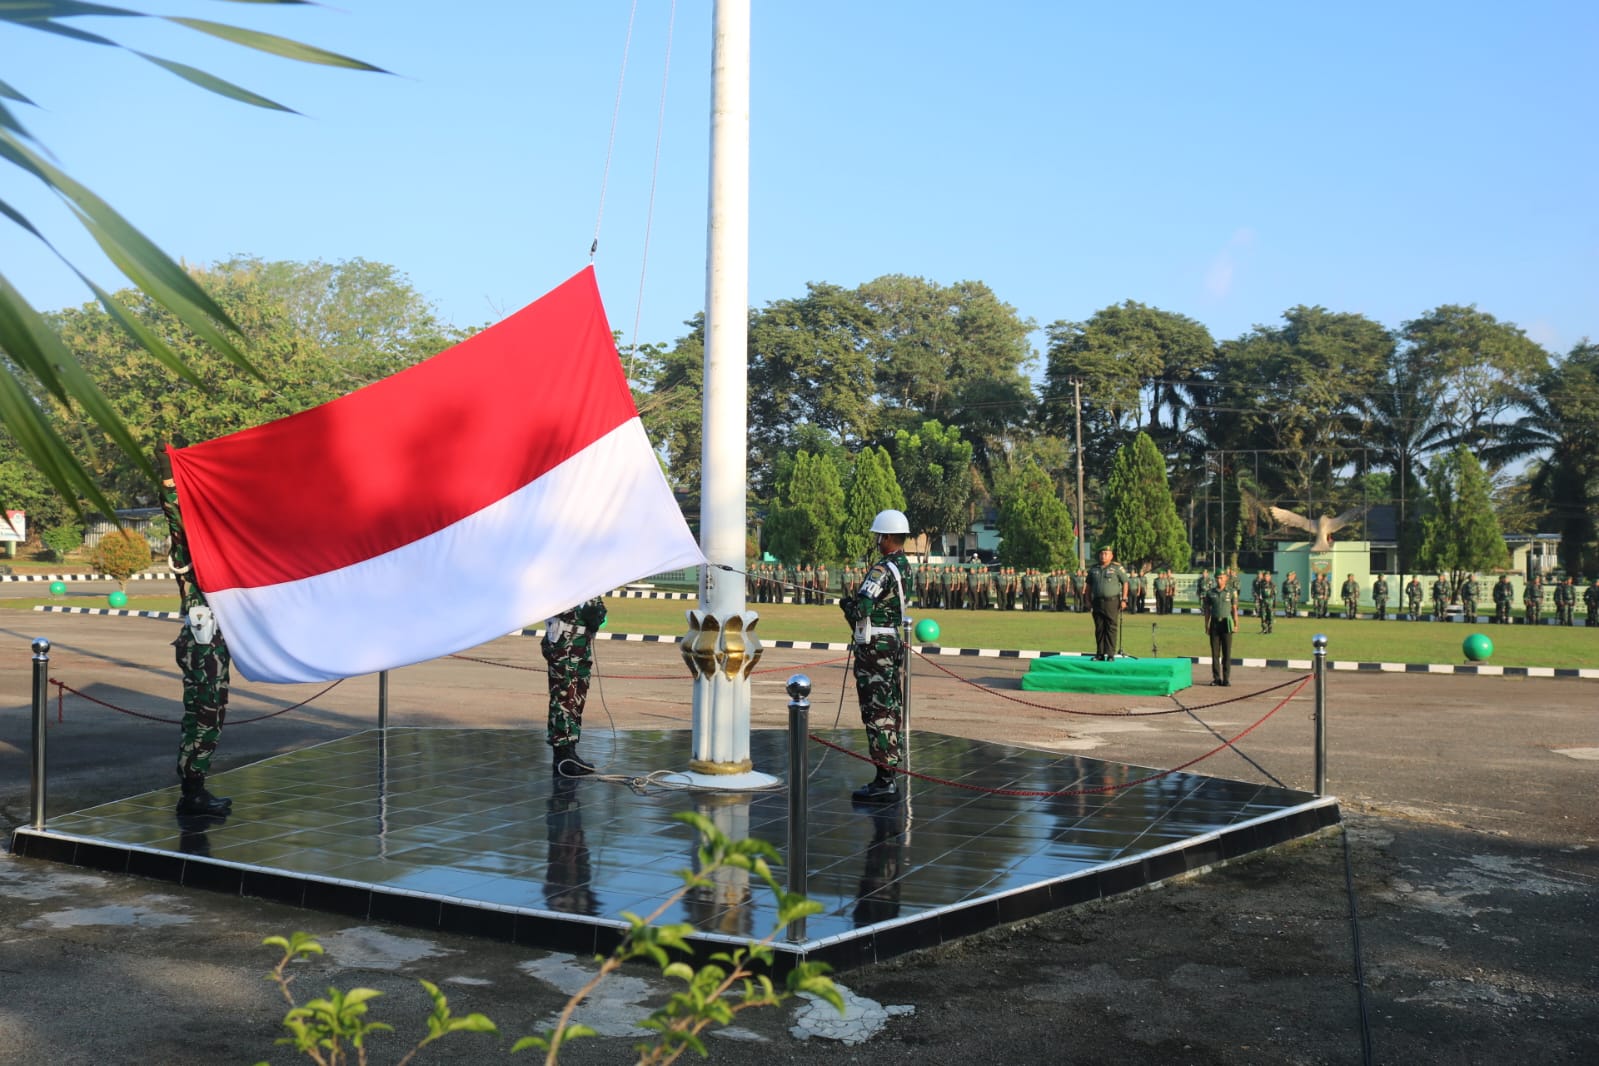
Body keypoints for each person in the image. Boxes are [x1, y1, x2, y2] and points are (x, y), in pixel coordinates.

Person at [161, 470, 234, 818]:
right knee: (206, 716)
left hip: (208, 646)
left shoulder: (220, 549)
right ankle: (193, 792)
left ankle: (192, 789)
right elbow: (178, 520)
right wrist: (169, 480)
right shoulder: (194, 547)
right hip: (203, 648)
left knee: (201, 716)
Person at [842, 509, 914, 803]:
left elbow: (862, 609)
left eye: (877, 536)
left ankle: (884, 780)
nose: (876, 541)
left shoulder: (882, 569)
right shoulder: (904, 566)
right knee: (889, 706)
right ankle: (888, 774)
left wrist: (847, 605)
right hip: (891, 640)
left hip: (875, 646)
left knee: (877, 710)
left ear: (886, 537)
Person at [543, 596, 607, 776]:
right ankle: (562, 754)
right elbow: (587, 612)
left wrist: (596, 614)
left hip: (581, 646)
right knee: (564, 698)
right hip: (564, 646)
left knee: (576, 701)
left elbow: (599, 613)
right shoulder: (562, 583)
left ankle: (570, 749)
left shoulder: (589, 583)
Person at [1085, 546, 1131, 661]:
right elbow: (1088, 586)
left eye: (1106, 553)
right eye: (1101, 553)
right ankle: (1100, 654)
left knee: (1111, 628)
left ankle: (1110, 654)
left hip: (1112, 602)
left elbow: (1125, 582)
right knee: (1099, 628)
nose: (1103, 555)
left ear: (1111, 556)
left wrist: (1124, 599)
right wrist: (1087, 600)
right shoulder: (1094, 569)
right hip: (1097, 602)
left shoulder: (1116, 568)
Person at [1200, 570, 1239, 687]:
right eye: (1217, 578)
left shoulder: (1232, 592)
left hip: (1226, 623)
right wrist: (1206, 625)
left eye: (1221, 578)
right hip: (1215, 624)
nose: (1219, 580)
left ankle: (1226, 679)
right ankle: (1216, 678)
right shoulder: (1210, 592)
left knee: (1227, 653)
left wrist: (1236, 624)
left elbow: (1234, 609)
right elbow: (1207, 610)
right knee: (1215, 653)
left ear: (1226, 578)